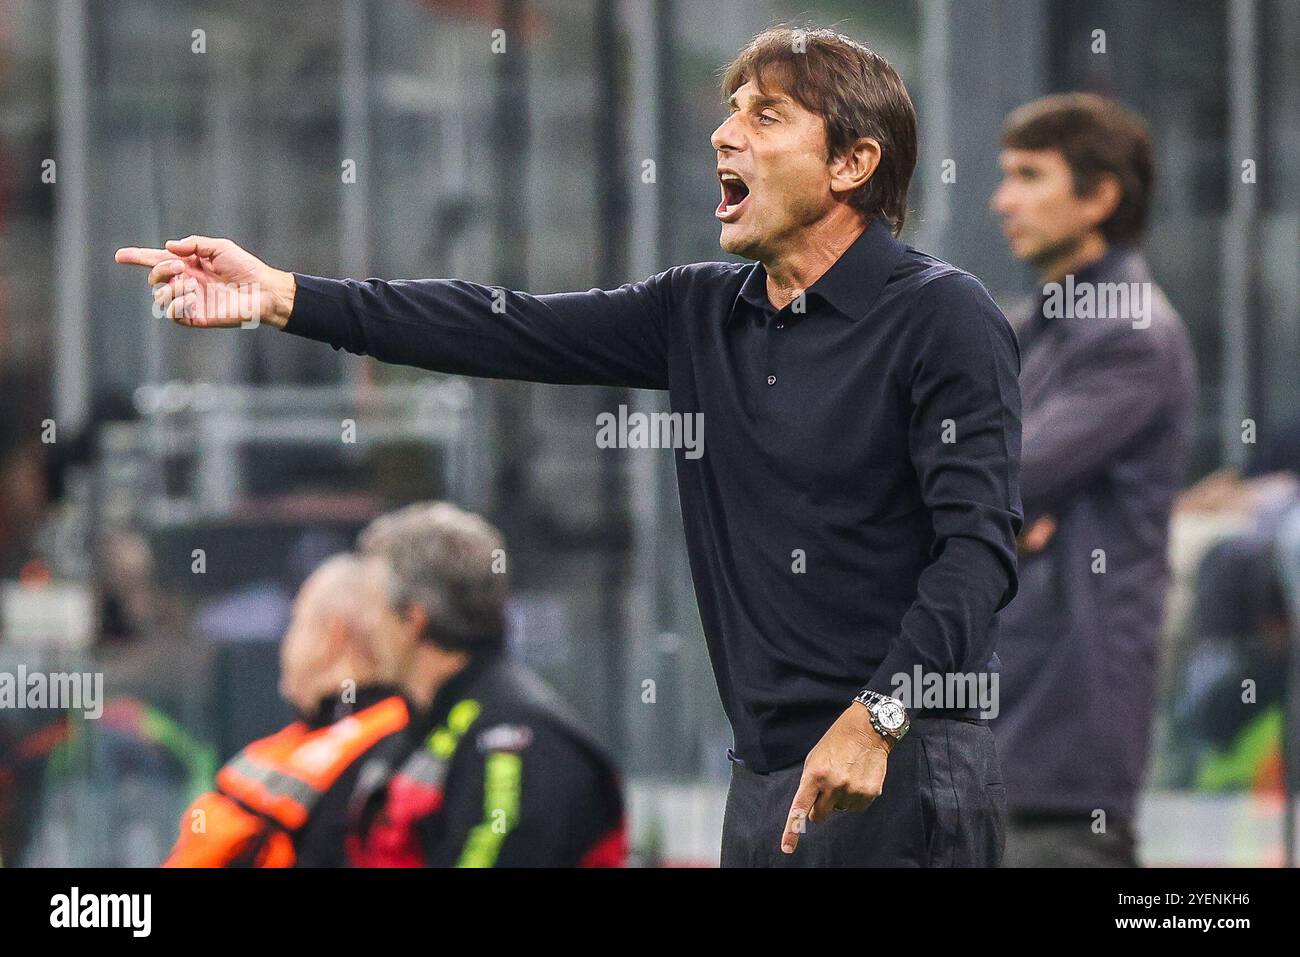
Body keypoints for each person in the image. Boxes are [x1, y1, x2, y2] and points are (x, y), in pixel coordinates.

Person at [116, 25, 1022, 867]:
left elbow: (978, 552)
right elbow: (500, 326)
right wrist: (281, 293)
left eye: (765, 115)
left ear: (853, 164)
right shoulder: (702, 311)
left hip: (904, 762)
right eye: (731, 106)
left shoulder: (942, 316)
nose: (723, 134)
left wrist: (881, 714)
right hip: (766, 783)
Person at [989, 93, 1197, 866]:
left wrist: (991, 507)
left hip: (1063, 753)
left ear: (1100, 195)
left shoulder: (1133, 334)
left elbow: (997, 478)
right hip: (1000, 736)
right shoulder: (1027, 328)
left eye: (1029, 175)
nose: (1002, 199)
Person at [344, 502, 626, 867]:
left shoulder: (518, 738)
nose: (359, 626)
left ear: (413, 620)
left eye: (370, 608)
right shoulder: (423, 726)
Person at [165, 553, 409, 867]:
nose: (287, 643)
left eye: (296, 622)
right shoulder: (367, 735)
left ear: (334, 635)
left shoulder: (378, 757)